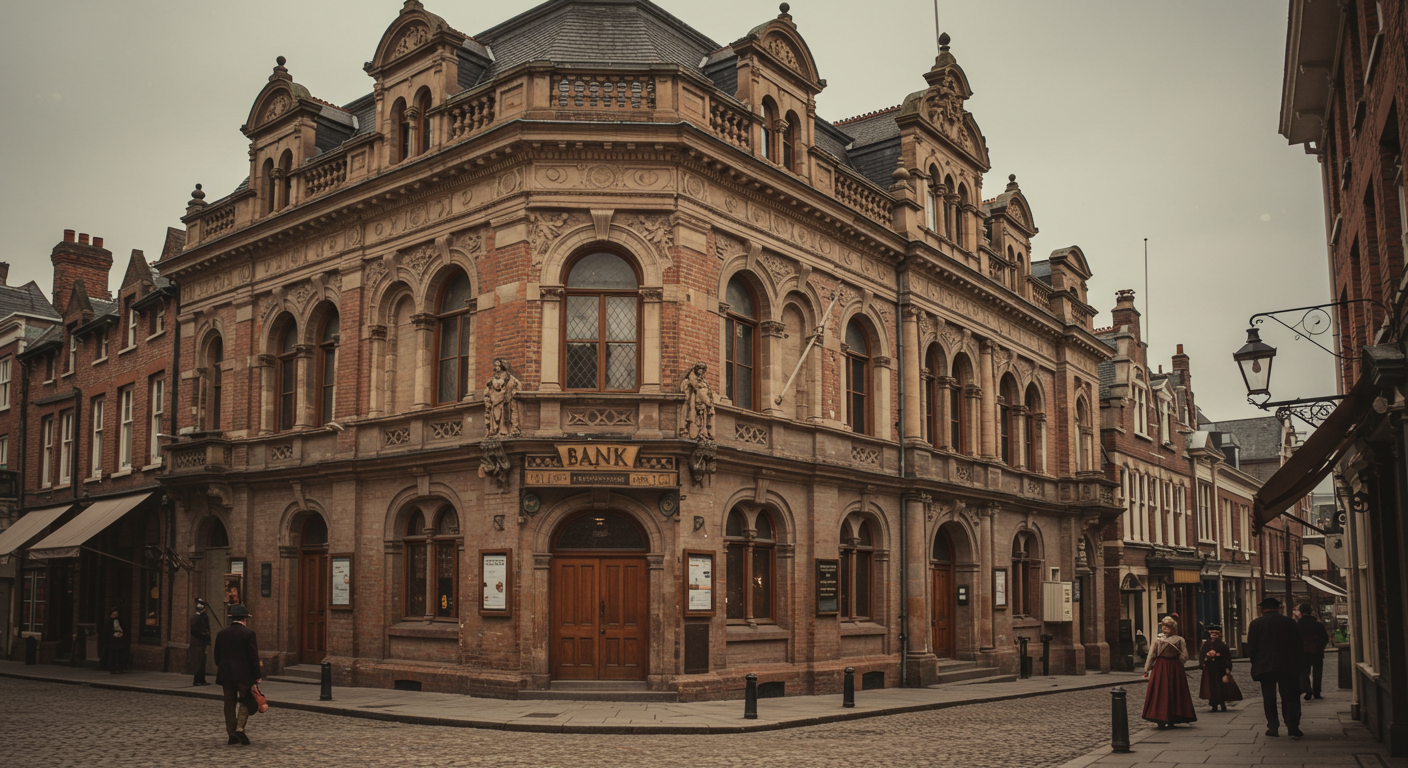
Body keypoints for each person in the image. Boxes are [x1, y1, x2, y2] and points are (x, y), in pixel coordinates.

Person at [1247, 596, 1304, 738]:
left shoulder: (1256, 624)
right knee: (1290, 697)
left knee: (1269, 697)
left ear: (1262, 609)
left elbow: (1252, 648)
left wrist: (1256, 662)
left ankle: (1273, 727)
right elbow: (1298, 646)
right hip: (1287, 666)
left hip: (1265, 667)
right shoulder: (1289, 623)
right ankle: (1292, 726)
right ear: (1278, 608)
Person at [214, 603, 261, 746]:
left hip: (226, 673)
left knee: (229, 703)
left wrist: (223, 667)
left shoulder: (222, 633)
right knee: (246, 700)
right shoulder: (248, 633)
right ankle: (240, 728)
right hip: (243, 674)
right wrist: (257, 675)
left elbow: (217, 656)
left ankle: (231, 734)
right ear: (244, 619)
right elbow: (253, 657)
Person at [1142, 615, 1197, 729]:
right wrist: (1147, 669)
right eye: (1163, 625)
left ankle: (1172, 717)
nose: (1165, 628)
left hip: (1167, 666)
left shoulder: (1179, 640)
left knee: (1173, 691)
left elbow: (1184, 655)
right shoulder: (1158, 640)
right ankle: (1161, 717)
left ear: (1173, 627)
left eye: (1168, 626)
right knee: (1161, 691)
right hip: (1165, 667)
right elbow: (1151, 655)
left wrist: (1176, 664)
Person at [1197, 624, 1243, 712]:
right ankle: (1213, 704)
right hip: (1210, 668)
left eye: (1216, 633)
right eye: (1212, 633)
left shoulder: (1222, 645)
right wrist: (1203, 662)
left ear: (1219, 634)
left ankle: (1222, 703)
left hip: (1220, 668)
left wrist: (1228, 666)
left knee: (1221, 686)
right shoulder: (1207, 644)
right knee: (1211, 686)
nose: (1214, 635)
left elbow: (1227, 656)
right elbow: (1202, 654)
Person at [1297, 602, 1329, 701]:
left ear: (1300, 612)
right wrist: (1321, 647)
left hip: (1303, 653)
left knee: (1303, 672)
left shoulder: (1297, 625)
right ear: (1311, 612)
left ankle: (1307, 689)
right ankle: (1317, 692)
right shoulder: (1317, 624)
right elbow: (1325, 638)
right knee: (1317, 673)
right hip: (1317, 652)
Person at [189, 598, 212, 686]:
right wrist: (204, 635)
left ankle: (202, 679)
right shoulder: (197, 618)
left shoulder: (203, 617)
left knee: (203, 662)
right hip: (198, 643)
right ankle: (197, 680)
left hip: (202, 643)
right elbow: (195, 631)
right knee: (198, 662)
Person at [100, 607, 129, 674]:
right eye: (114, 614)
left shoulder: (121, 621)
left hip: (120, 641)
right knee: (113, 656)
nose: (115, 616)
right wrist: (112, 636)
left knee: (120, 656)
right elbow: (106, 632)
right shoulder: (108, 623)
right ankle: (113, 668)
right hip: (112, 641)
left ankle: (120, 668)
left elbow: (125, 629)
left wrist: (122, 635)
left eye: (116, 614)